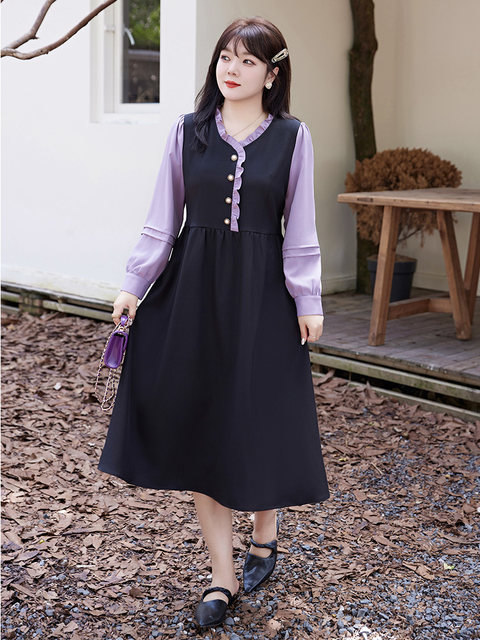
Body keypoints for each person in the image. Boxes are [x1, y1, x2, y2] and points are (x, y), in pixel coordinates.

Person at [97, 15, 330, 629]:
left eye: (248, 61)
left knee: (259, 417)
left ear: (271, 74)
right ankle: (222, 576)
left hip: (264, 296)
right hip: (194, 293)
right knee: (206, 424)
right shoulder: (187, 132)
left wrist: (308, 299)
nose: (233, 69)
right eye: (226, 56)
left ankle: (266, 529)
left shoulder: (293, 137)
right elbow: (161, 219)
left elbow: (300, 228)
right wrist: (133, 285)